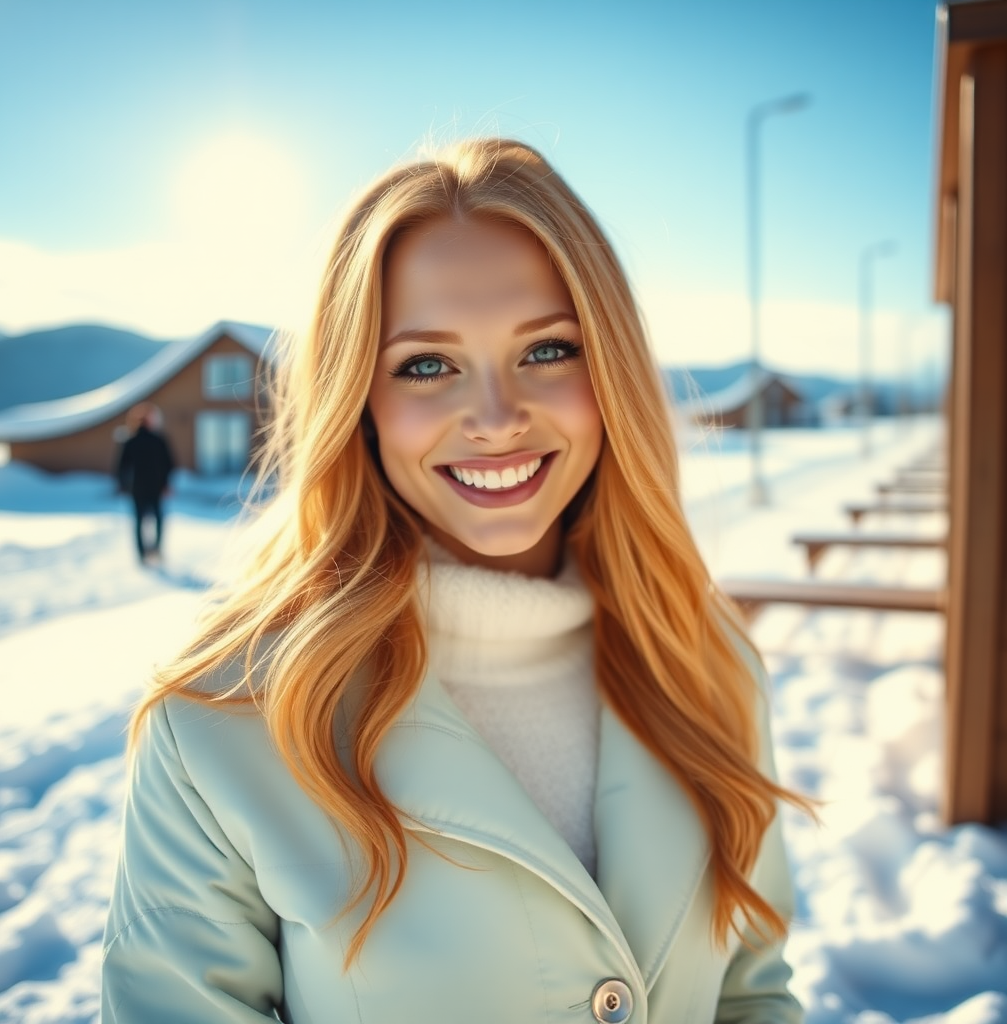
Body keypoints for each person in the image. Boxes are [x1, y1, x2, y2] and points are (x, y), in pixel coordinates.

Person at [101, 138, 811, 1023]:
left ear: (612, 371)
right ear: (356, 397)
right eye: (426, 365)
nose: (496, 419)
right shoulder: (224, 716)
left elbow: (753, 993)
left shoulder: (707, 662)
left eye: (548, 350)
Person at [116, 404, 174, 565]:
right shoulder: (158, 440)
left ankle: (143, 554)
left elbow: (121, 467)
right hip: (155, 487)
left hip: (138, 488)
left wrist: (123, 485)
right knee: (158, 519)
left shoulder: (131, 441)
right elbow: (169, 464)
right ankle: (155, 550)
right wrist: (165, 483)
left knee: (140, 521)